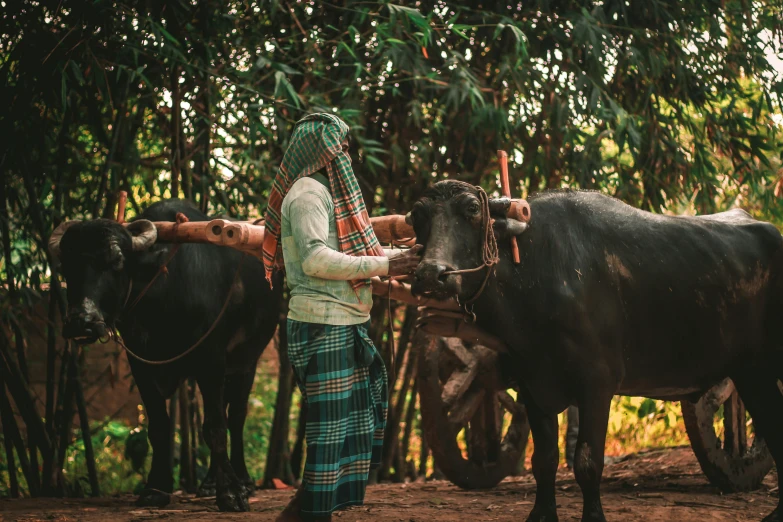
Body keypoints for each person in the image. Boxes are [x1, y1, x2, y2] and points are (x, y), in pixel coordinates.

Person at [263, 113, 422, 522]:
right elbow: (316, 260)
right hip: (323, 324)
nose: (347, 156)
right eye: (340, 148)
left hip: (342, 321)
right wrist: (387, 267)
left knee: (344, 426)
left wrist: (403, 260)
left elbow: (351, 252)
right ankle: (314, 513)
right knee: (328, 432)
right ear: (322, 153)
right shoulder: (308, 195)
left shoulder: (327, 195)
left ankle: (307, 508)